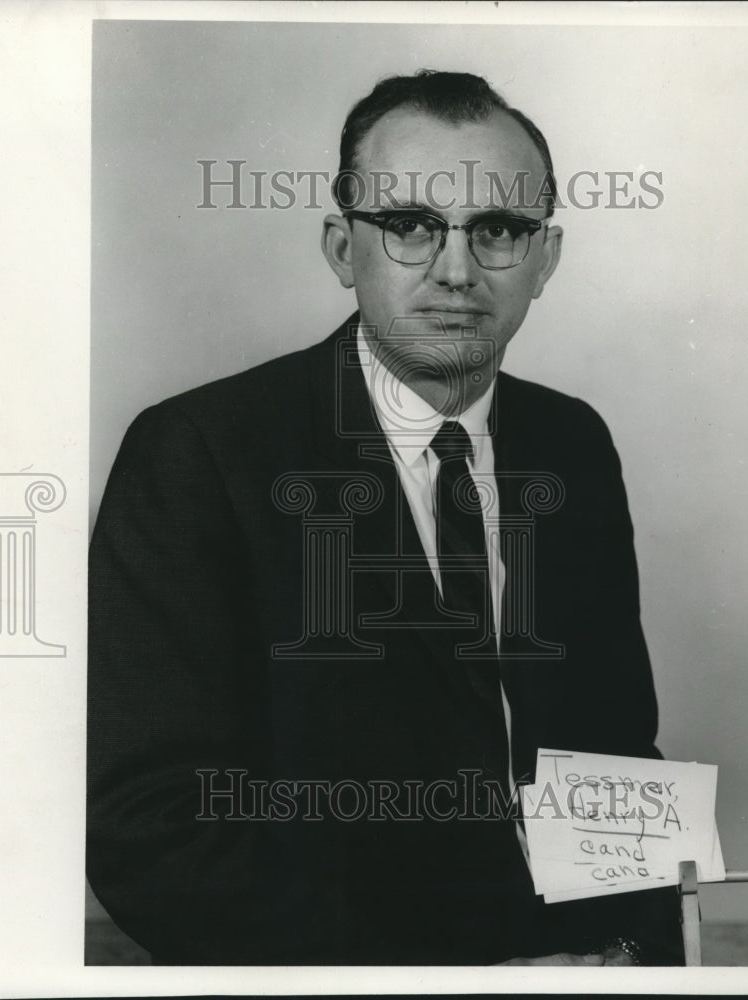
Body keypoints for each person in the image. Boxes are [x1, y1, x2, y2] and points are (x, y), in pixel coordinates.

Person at [87, 69, 683, 966]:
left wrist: (632, 960)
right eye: (409, 226)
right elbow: (151, 824)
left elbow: (613, 759)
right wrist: (454, 984)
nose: (456, 271)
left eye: (498, 231)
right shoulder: (199, 450)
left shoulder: (571, 441)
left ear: (545, 259)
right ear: (340, 248)